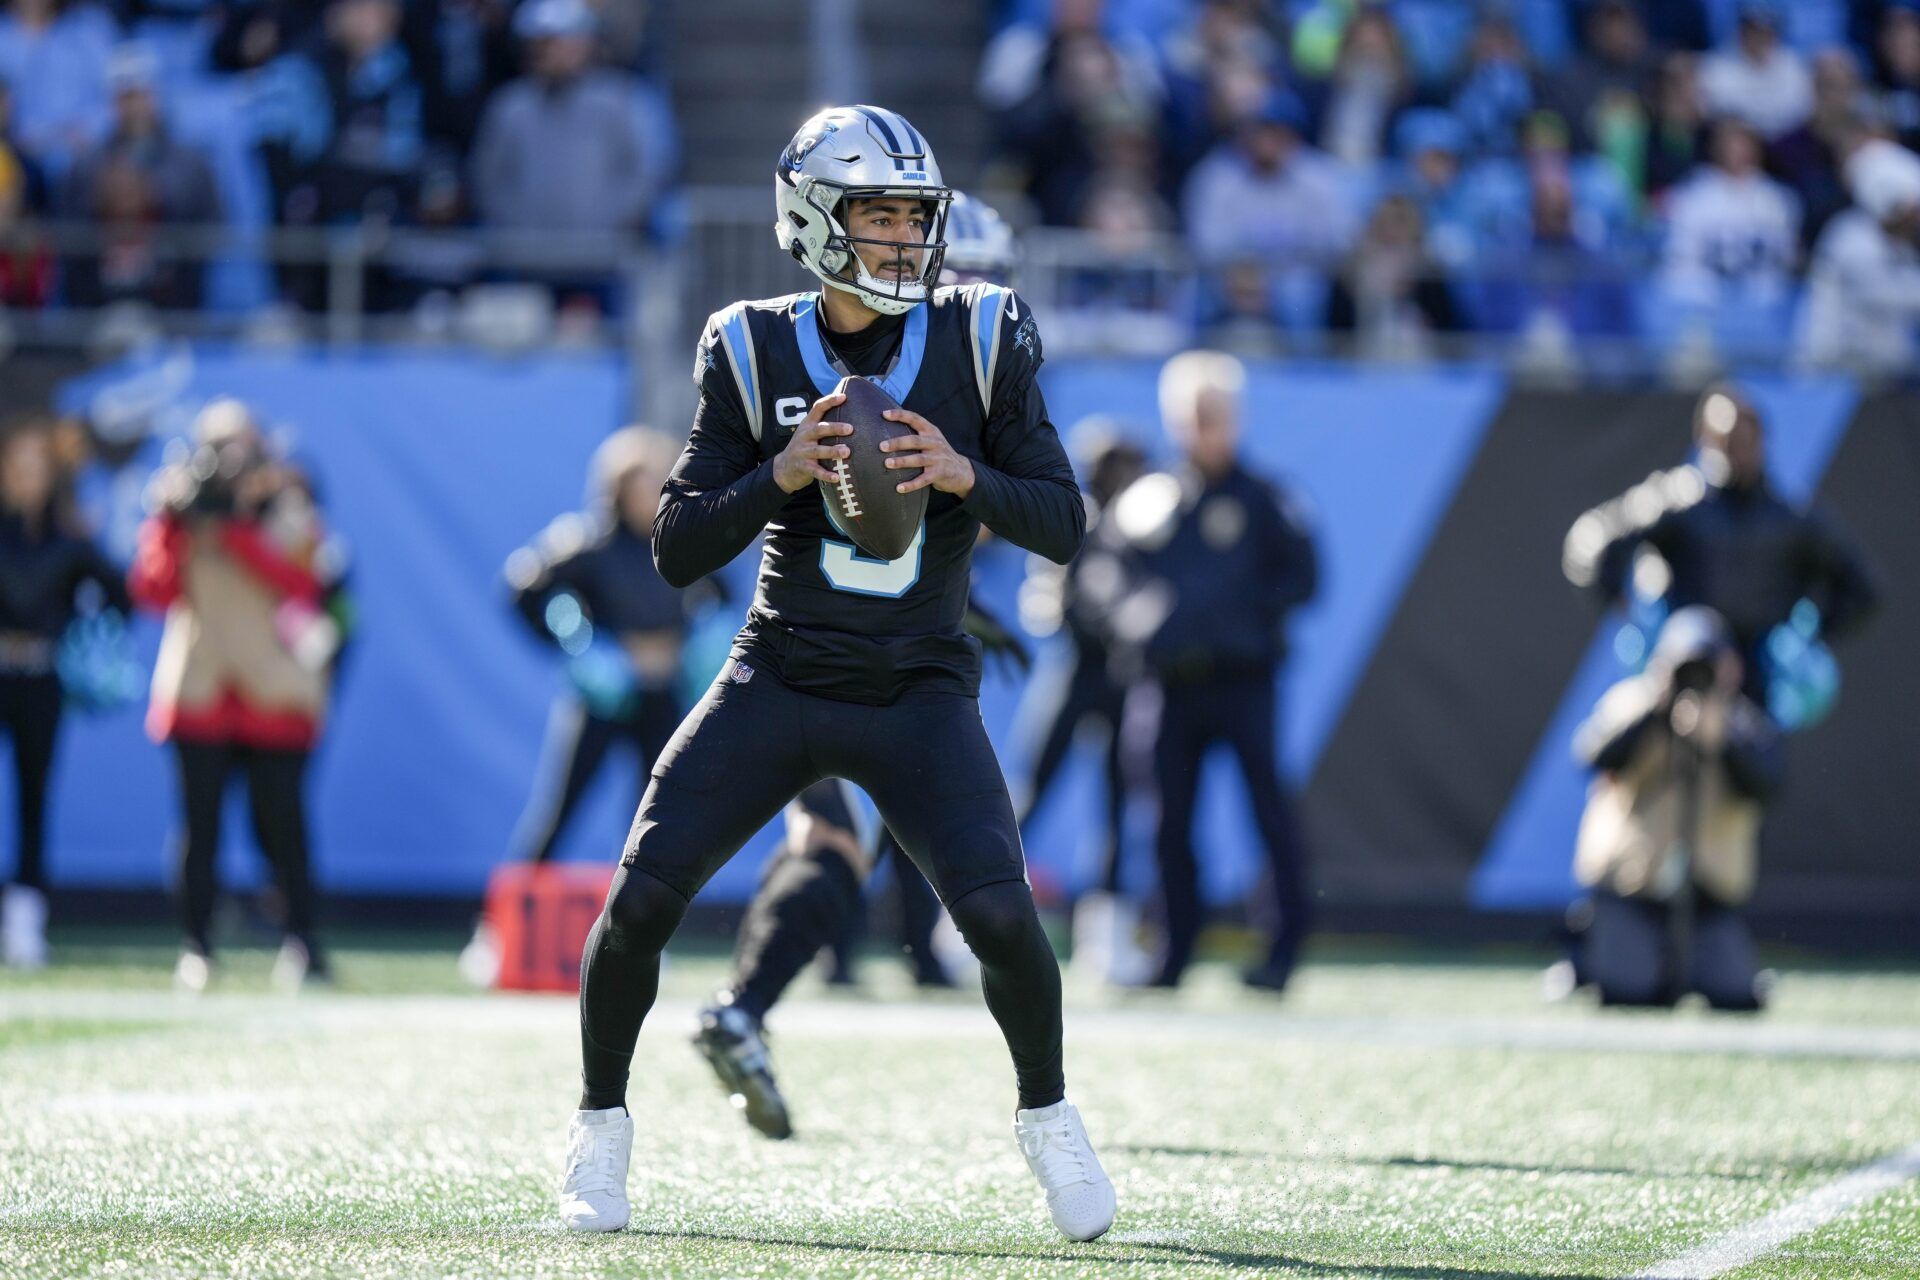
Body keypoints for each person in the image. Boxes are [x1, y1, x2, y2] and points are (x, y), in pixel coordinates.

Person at [554, 108, 1114, 1243]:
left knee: (1005, 921)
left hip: (918, 685)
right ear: (814, 219)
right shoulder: (750, 343)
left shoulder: (986, 330)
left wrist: (966, 476)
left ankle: (1049, 1115)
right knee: (640, 898)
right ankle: (599, 1124)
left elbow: (1065, 522)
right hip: (778, 672)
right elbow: (677, 546)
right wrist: (778, 473)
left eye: (918, 214)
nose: (908, 238)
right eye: (880, 214)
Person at [689, 193, 1036, 1142]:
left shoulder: (943, 356)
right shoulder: (886, 353)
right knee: (836, 840)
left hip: (871, 645)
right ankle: (745, 1008)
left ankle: (749, 1007)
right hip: (814, 647)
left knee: (842, 840)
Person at [459, 426, 698, 986]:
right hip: (602, 701)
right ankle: (494, 934)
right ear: (616, 488)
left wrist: (687, 646)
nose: (653, 492)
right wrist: (583, 646)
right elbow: (522, 590)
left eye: (660, 480)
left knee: (653, 826)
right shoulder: (586, 542)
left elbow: (718, 599)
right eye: (641, 482)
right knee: (557, 814)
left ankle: (643, 937)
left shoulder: (681, 541)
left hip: (661, 700)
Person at [1110, 351, 1318, 993]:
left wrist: (1236, 619)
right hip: (1168, 684)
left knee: (1268, 814)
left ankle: (1281, 951)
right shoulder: (1150, 499)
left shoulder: (1268, 500)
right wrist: (1140, 618)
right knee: (1168, 822)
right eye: (1193, 417)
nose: (1205, 429)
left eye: (1215, 415)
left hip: (1244, 681)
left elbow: (1306, 578)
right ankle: (1173, 952)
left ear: (1236, 417)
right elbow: (1103, 573)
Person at [128, 400, 346, 993]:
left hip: (273, 691)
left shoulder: (291, 506)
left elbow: (309, 583)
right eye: (219, 448)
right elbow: (152, 590)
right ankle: (196, 947)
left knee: (282, 824)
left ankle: (303, 942)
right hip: (201, 687)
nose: (233, 460)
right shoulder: (180, 509)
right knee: (199, 829)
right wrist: (174, 524)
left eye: (244, 445)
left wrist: (239, 530)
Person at [1563, 384, 1878, 709]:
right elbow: (1592, 542)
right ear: (1705, 440)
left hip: (1755, 678)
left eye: (1744, 441)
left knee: (1750, 751)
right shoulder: (1678, 500)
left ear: (1761, 441)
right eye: (1725, 442)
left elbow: (1863, 588)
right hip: (1680, 673)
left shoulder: (1788, 519)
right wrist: (1618, 598)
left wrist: (1805, 633)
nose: (1735, 453)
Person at [1570, 606, 1781, 1009]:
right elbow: (1593, 757)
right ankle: (1585, 956)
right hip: (1633, 893)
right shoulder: (1632, 703)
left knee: (1734, 996)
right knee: (1628, 992)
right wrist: (1657, 705)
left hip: (1708, 900)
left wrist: (1719, 734)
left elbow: (1767, 784)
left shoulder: (1742, 719)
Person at [1016, 421, 1146, 984]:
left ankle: (1108, 940)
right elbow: (1045, 601)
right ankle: (975, 919)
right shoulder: (1078, 520)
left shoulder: (1146, 527)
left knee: (1119, 806)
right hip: (1076, 672)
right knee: (1032, 794)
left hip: (1121, 676)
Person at [0, 417, 128, 968]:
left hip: (41, 678)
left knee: (33, 800)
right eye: (17, 466)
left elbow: (119, 595)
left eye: (37, 468)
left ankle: (25, 924)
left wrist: (77, 623)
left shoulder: (70, 537)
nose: (27, 478)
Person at [57, 44, 221, 310]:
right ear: (113, 102)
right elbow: (70, 236)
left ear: (156, 96)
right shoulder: (86, 166)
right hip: (102, 305)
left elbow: (211, 231)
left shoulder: (191, 165)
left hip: (172, 304)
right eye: (125, 97)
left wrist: (157, 197)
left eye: (141, 95)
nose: (134, 106)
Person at [1796, 137, 1920, 376]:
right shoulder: (1850, 240)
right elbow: (1887, 295)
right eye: (1913, 208)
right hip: (1833, 372)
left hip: (1881, 376)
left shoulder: (1899, 242)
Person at [1697, 0, 1813, 141]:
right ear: (1741, 32)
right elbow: (1718, 114)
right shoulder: (1716, 68)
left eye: (1767, 32)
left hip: (1785, 144)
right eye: (1754, 31)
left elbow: (1800, 112)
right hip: (1736, 144)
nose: (1760, 38)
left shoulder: (1793, 66)